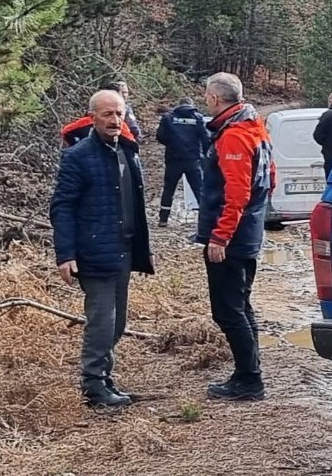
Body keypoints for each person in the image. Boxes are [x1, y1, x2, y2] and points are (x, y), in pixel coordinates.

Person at [49, 90, 155, 408]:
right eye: (107, 114)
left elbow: (135, 205)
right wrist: (65, 254)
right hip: (94, 252)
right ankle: (93, 384)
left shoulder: (127, 151)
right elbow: (62, 207)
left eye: (119, 113)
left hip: (123, 250)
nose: (114, 120)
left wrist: (144, 248)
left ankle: (104, 377)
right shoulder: (78, 156)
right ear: (93, 117)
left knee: (118, 320)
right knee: (102, 321)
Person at [197, 72, 275, 401]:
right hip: (250, 231)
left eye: (207, 96)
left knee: (228, 310)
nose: (205, 101)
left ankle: (249, 379)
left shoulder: (233, 136)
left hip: (233, 236)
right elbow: (271, 178)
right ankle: (248, 372)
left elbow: (237, 194)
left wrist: (220, 237)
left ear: (215, 99)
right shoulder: (256, 126)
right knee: (241, 305)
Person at [156, 97, 210, 227]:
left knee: (169, 189)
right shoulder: (197, 118)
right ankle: (205, 220)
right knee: (199, 190)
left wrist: (172, 144)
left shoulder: (168, 118)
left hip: (173, 159)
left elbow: (160, 136)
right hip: (192, 160)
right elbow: (205, 138)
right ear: (191, 105)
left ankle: (163, 219)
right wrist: (206, 155)